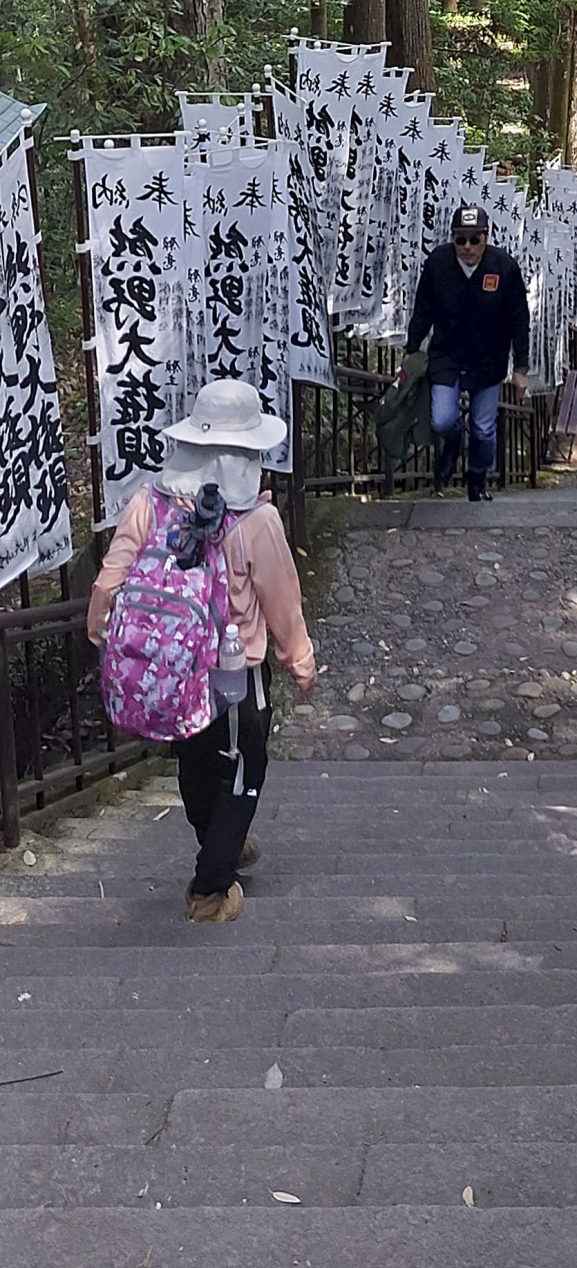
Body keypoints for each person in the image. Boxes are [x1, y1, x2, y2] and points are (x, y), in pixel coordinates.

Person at [86, 380, 316, 924]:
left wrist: (106, 637)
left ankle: (221, 841)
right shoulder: (256, 520)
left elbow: (110, 580)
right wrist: (300, 662)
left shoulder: (151, 502)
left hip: (172, 672)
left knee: (194, 764)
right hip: (236, 675)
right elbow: (282, 602)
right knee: (244, 767)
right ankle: (210, 889)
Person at [404, 204, 530, 503]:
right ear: (452, 239)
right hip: (446, 356)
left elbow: (519, 319)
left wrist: (521, 368)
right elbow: (422, 311)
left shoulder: (504, 267)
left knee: (483, 428)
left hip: (489, 359)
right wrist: (411, 351)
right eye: (460, 239)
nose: (468, 247)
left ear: (486, 237)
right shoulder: (438, 264)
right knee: (442, 419)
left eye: (475, 239)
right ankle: (453, 441)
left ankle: (477, 479)